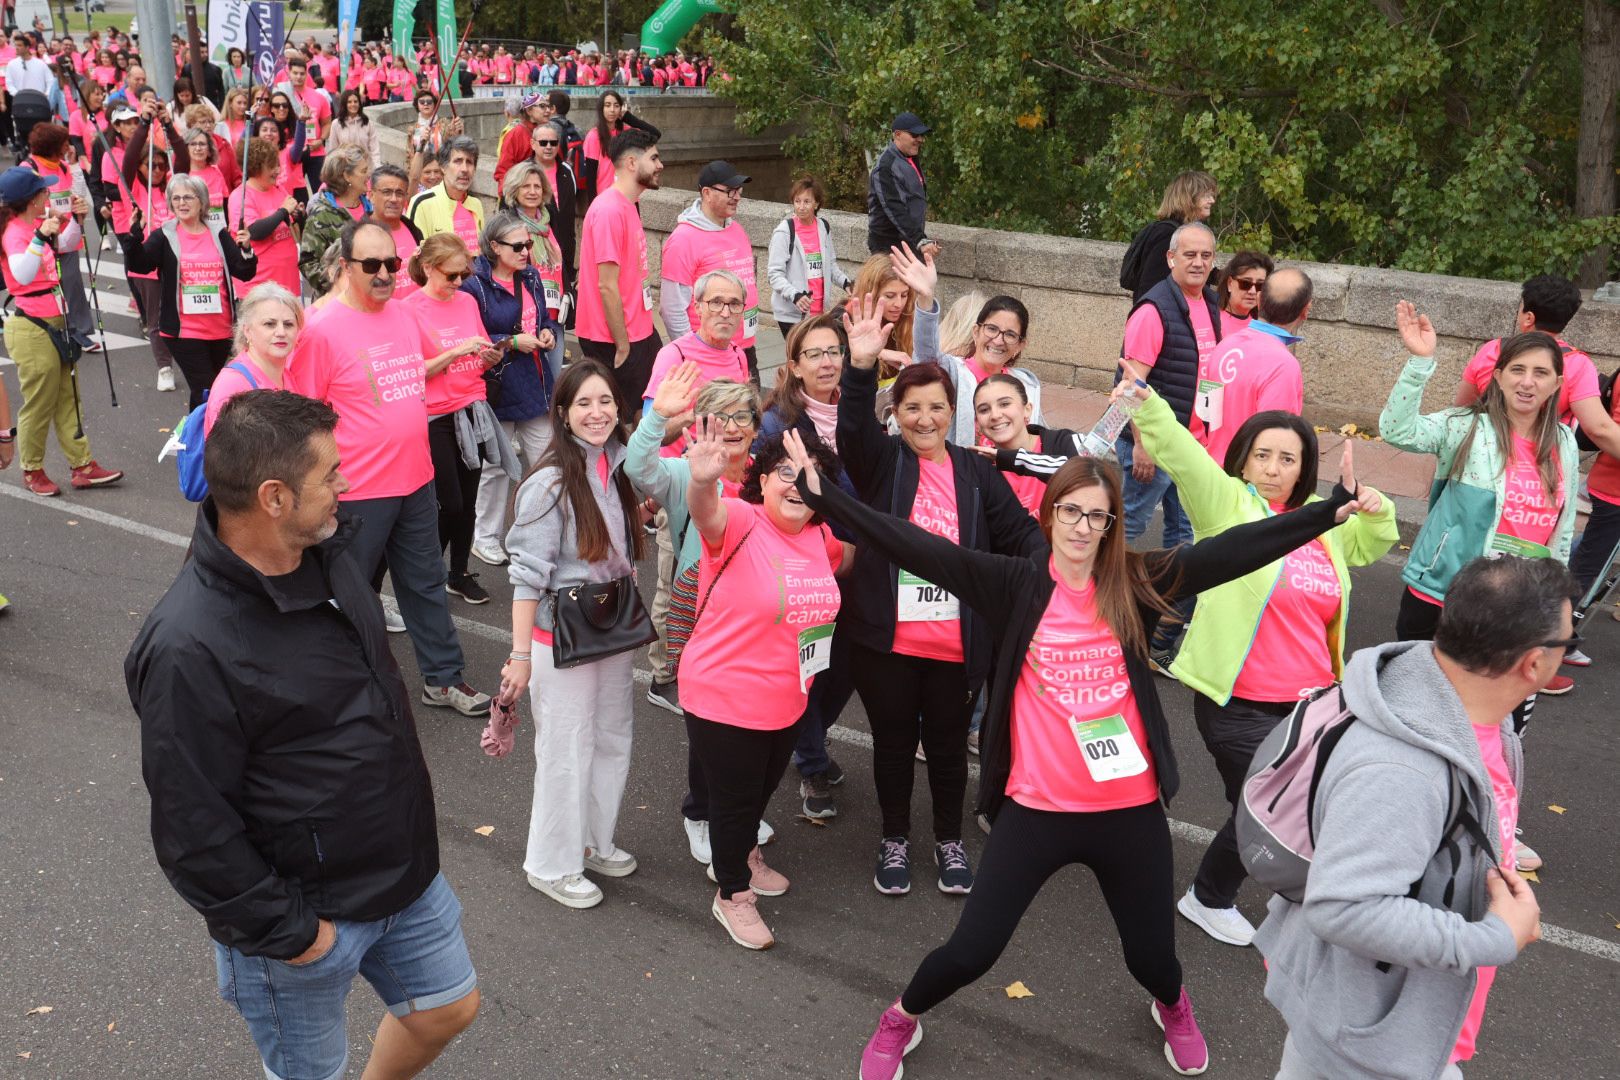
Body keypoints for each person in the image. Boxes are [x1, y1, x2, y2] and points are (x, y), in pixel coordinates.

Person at [794, 410, 1377, 1080]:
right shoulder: (1014, 583)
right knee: (971, 950)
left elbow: (1231, 552)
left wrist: (1324, 513)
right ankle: (900, 1017)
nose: (1080, 527)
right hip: (1037, 809)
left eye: (1096, 516)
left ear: (1110, 526)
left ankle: (1173, 1005)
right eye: (1070, 511)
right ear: (1049, 515)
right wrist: (828, 500)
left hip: (1127, 811)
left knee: (1152, 958)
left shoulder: (1131, 581)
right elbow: (917, 546)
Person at [124, 389, 481, 1080]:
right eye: (330, 476)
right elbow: (192, 827)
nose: (347, 486)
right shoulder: (187, 647)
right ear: (274, 497)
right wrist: (292, 934)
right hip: (302, 920)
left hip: (402, 876)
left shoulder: (331, 553)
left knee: (447, 1008)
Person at [1255, 555, 1562, 1080]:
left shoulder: (1468, 717)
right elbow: (1345, 908)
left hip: (1404, 1019)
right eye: (1568, 644)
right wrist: (1494, 939)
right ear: (1533, 663)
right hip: (1367, 1045)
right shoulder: (1404, 769)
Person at [1129, 383, 1398, 947]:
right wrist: (1143, 401)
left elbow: (1375, 543)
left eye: (1288, 458)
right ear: (1243, 459)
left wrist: (1375, 505)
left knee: (1289, 805)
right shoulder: (1225, 506)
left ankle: (1262, 880)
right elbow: (1180, 450)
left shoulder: (1323, 527)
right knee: (1264, 807)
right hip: (1238, 702)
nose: (1274, 469)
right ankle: (1208, 896)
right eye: (1263, 455)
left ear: (1304, 471)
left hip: (1313, 706)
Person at [838, 296, 1044, 897]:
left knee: (951, 750)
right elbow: (852, 430)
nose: (924, 419)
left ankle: (949, 841)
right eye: (912, 409)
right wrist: (861, 366)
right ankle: (895, 838)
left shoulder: (977, 473)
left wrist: (1051, 572)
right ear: (896, 414)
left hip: (957, 646)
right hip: (889, 643)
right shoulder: (884, 466)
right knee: (895, 745)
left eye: (936, 408)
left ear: (953, 412)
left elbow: (1021, 534)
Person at [1381, 302, 1577, 871]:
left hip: (1521, 605)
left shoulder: (1562, 444)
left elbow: (1559, 529)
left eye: (1541, 373)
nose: (1528, 382)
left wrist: (1559, 598)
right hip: (1443, 593)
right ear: (1498, 375)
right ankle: (1400, 808)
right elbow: (1396, 429)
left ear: (1556, 384)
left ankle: (1494, 815)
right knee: (1422, 706)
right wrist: (1420, 363)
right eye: (1518, 370)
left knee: (1505, 721)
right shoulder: (1465, 428)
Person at [284, 218, 492, 717]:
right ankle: (336, 688)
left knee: (423, 584)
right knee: (348, 595)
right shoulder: (320, 328)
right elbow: (302, 411)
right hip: (357, 491)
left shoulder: (402, 316)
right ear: (345, 266)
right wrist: (320, 484)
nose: (384, 273)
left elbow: (415, 374)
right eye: (371, 264)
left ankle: (443, 680)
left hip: (416, 479)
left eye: (392, 264)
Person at [678, 420, 850, 950]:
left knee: (760, 792)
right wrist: (704, 480)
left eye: (810, 477)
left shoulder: (822, 539)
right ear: (761, 480)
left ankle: (744, 856)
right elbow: (706, 511)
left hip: (787, 696)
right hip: (723, 693)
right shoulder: (740, 520)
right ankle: (731, 894)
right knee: (734, 800)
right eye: (785, 473)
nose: (796, 485)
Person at [498, 359, 646, 910]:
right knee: (565, 749)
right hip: (558, 635)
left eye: (605, 401)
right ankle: (551, 864)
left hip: (609, 627)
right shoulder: (549, 483)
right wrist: (519, 657)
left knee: (611, 738)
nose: (597, 412)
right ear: (562, 413)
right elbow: (526, 577)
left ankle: (593, 841)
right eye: (583, 403)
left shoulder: (618, 463)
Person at [628, 367, 781, 855]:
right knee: (710, 723)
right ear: (699, 424)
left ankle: (737, 811)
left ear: (757, 427)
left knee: (754, 722)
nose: (732, 426)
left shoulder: (770, 475)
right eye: (719, 417)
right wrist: (658, 418)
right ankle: (701, 812)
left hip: (761, 622)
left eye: (742, 416)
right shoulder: (681, 473)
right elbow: (637, 467)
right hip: (703, 618)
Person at [1119, 220, 1223, 671]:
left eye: (1205, 255)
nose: (1198, 262)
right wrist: (1142, 444)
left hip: (1191, 447)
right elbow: (1131, 385)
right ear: (1170, 258)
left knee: (1187, 539)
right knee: (1120, 529)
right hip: (1156, 445)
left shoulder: (1210, 303)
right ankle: (1093, 612)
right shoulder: (1153, 311)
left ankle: (1158, 638)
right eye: (1189, 255)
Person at [402, 231, 514, 606]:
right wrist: (456, 351)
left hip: (473, 407)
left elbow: (479, 346)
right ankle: (426, 571)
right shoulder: (409, 309)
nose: (458, 282)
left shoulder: (466, 302)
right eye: (450, 275)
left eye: (463, 274)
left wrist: (490, 357)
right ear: (429, 269)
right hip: (436, 416)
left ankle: (458, 573)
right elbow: (413, 371)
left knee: (468, 500)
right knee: (449, 502)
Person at [0, 165, 121, 496]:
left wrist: (77, 221)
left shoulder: (35, 223)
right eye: (44, 191)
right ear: (31, 199)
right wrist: (40, 236)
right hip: (31, 327)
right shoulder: (14, 232)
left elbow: (67, 244)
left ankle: (82, 466)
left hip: (55, 321)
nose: (49, 195)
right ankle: (32, 469)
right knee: (40, 402)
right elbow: (23, 274)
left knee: (70, 396)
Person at [464, 210, 562, 568]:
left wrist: (547, 331)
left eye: (529, 244)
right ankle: (485, 536)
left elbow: (543, 317)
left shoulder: (532, 276)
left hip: (534, 381)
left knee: (548, 461)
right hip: (498, 385)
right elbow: (468, 335)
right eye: (518, 245)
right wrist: (509, 341)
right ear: (494, 246)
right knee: (496, 468)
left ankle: (542, 527)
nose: (526, 251)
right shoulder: (474, 285)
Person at [119, 173, 257, 410]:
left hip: (220, 330)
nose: (181, 203)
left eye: (188, 197)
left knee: (203, 392)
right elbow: (140, 265)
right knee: (208, 389)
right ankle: (206, 440)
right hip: (184, 332)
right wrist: (134, 235)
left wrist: (246, 249)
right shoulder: (165, 234)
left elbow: (244, 271)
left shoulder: (218, 232)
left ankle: (193, 439)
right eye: (176, 198)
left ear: (202, 201)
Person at [892, 244, 1044, 445]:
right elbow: (926, 355)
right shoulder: (954, 372)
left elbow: (1040, 435)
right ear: (976, 332)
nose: (998, 340)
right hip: (964, 472)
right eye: (991, 329)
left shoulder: (1027, 385)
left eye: (1009, 334)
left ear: (1020, 345)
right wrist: (925, 298)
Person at [576, 127, 664, 411]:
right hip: (614, 337)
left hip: (640, 330)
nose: (660, 165)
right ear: (631, 163)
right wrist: (623, 345)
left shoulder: (629, 204)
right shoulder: (610, 210)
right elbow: (606, 285)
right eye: (654, 158)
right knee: (623, 419)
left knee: (650, 409)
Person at [1193, 267, 1310, 466]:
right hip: (1247, 482)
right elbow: (1275, 440)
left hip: (1212, 469)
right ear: (1305, 310)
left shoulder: (1224, 346)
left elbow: (1206, 414)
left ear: (1259, 299)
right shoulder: (1284, 365)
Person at [659, 160, 762, 384]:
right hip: (708, 354)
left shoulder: (737, 229)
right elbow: (671, 307)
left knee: (751, 416)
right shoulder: (683, 239)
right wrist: (691, 355)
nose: (737, 197)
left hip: (744, 350)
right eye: (729, 191)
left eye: (739, 191)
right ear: (706, 193)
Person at [970, 375, 1078, 518]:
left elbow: (1084, 471)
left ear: (1027, 409)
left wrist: (1119, 404)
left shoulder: (1063, 442)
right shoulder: (979, 468)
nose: (995, 415)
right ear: (977, 423)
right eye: (984, 410)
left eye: (1004, 404)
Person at [201, 282, 303, 434]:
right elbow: (223, 453)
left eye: (288, 324)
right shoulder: (233, 385)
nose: (281, 332)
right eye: (270, 324)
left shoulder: (286, 375)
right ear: (247, 331)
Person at [766, 176, 852, 338]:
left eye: (806, 201)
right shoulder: (784, 231)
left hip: (819, 309)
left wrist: (846, 283)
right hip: (792, 314)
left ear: (816, 204)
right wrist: (795, 295)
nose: (801, 207)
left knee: (815, 356)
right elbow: (774, 275)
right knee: (802, 357)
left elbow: (830, 265)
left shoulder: (823, 227)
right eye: (797, 201)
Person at [1119, 170, 1218, 302]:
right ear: (1188, 197)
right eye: (1206, 196)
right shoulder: (1167, 234)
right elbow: (1151, 286)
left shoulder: (1181, 232)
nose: (1212, 200)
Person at [226, 136, 303, 296]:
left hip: (287, 282)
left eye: (277, 165)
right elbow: (254, 232)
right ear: (256, 168)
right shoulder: (240, 196)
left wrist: (298, 214)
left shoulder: (278, 189)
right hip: (260, 286)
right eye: (272, 166)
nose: (277, 170)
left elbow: (287, 222)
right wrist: (282, 211)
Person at [497, 160, 566, 323]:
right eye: (526, 186)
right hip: (526, 316)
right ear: (515, 189)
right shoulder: (508, 224)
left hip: (555, 312)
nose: (533, 192)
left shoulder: (548, 218)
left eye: (537, 186)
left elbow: (562, 261)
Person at [298, 144, 372, 293]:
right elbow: (308, 263)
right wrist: (339, 287)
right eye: (363, 171)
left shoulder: (372, 207)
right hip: (337, 302)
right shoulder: (322, 214)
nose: (369, 175)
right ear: (346, 176)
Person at [867, 112, 937, 258]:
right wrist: (920, 240)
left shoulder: (910, 157)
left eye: (921, 135)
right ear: (897, 134)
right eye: (914, 135)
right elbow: (895, 208)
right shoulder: (885, 166)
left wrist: (918, 239)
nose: (920, 139)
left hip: (908, 241)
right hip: (889, 247)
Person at [407, 134, 483, 251]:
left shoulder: (476, 204)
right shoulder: (422, 203)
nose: (464, 169)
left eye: (469, 162)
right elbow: (415, 258)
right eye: (458, 161)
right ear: (443, 167)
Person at [579, 89, 659, 198]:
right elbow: (590, 176)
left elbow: (655, 134)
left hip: (628, 195)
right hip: (605, 197)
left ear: (621, 108)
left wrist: (628, 117)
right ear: (601, 109)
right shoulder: (594, 136)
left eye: (616, 106)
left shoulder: (626, 132)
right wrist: (593, 205)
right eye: (607, 105)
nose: (612, 110)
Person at [529, 119, 576, 297]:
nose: (548, 147)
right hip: (536, 252)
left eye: (553, 143)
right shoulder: (524, 172)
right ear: (533, 144)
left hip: (563, 249)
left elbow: (570, 214)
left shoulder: (566, 171)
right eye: (543, 143)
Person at [369, 162, 423, 298]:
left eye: (399, 193)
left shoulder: (414, 230)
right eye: (386, 192)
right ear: (371, 195)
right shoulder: (359, 236)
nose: (394, 199)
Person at [282, 54, 332, 192]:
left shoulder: (318, 97)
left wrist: (321, 140)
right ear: (289, 73)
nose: (298, 77)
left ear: (307, 74)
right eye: (295, 73)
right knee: (294, 193)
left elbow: (327, 123)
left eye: (302, 73)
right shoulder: (282, 97)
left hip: (315, 151)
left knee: (321, 191)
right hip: (292, 153)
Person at [492, 90, 549, 188]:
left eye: (548, 106)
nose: (548, 110)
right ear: (529, 110)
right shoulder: (515, 134)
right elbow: (502, 172)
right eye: (542, 106)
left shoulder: (548, 132)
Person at [1214, 249, 1272, 334]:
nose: (1252, 291)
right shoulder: (1212, 321)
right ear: (1230, 283)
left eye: (1260, 285)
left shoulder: (1263, 327)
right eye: (1245, 283)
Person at [331, 88, 380, 167]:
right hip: (345, 170)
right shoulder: (336, 124)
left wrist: (377, 168)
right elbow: (333, 150)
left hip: (365, 170)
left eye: (356, 101)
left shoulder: (368, 123)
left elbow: (375, 150)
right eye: (349, 102)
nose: (353, 104)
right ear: (344, 104)